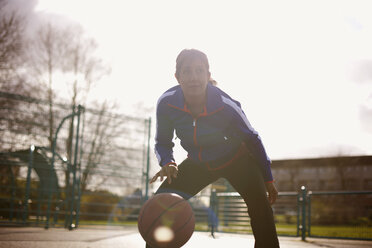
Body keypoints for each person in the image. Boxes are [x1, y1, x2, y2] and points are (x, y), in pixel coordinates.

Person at [149, 48, 280, 247]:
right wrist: (168, 161)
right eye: (187, 71)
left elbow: (253, 138)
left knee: (261, 208)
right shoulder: (166, 103)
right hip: (198, 162)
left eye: (200, 71)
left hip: (237, 160)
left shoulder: (225, 105)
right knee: (160, 206)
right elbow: (162, 142)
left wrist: (268, 178)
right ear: (177, 77)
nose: (194, 77)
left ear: (208, 75)